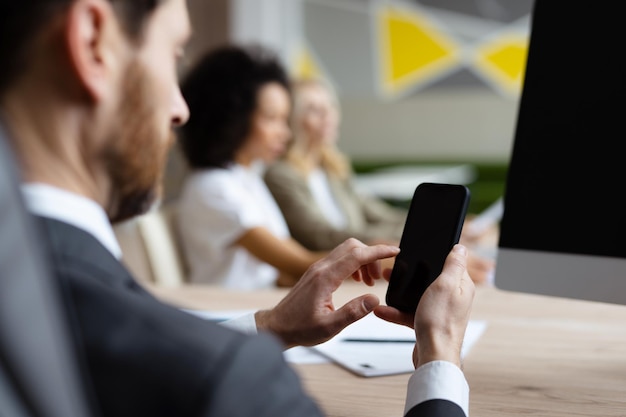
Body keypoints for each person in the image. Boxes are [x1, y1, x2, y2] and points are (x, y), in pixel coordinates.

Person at [0, 1, 474, 416]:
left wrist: (268, 325)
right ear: (92, 42)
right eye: (173, 55)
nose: (179, 109)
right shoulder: (227, 381)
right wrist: (440, 357)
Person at [265, 77, 495, 284]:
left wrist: (440, 227)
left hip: (361, 268)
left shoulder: (333, 170)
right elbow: (320, 235)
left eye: (330, 107)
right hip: (330, 275)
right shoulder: (281, 175)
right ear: (292, 119)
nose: (328, 117)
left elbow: (379, 214)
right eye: (314, 110)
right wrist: (387, 244)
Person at [176, 45, 329, 289]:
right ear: (233, 119)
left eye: (284, 119)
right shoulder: (213, 187)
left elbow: (279, 273)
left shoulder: (246, 178)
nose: (285, 133)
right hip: (229, 315)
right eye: (271, 118)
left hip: (255, 304)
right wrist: (375, 257)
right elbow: (300, 264)